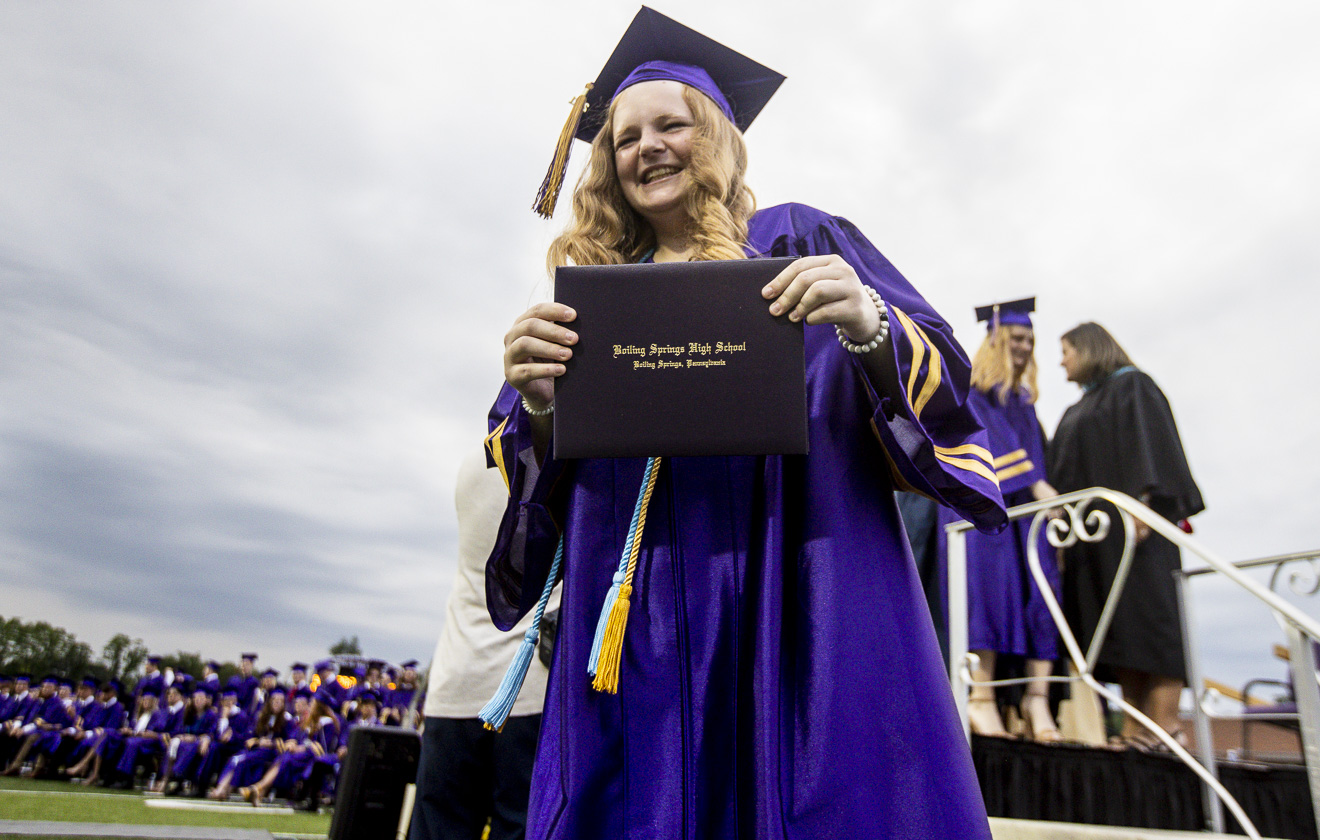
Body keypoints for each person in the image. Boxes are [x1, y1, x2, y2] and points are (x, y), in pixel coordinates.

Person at [485, 9, 1006, 839]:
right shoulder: (594, 295)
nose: (647, 147)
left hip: (795, 589)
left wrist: (867, 323)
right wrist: (540, 404)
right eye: (624, 137)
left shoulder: (797, 237)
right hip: (639, 620)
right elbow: (537, 482)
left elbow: (944, 384)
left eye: (671, 125)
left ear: (718, 137)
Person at [1049, 321, 1203, 747]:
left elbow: (1148, 446)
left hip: (1138, 531)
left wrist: (1143, 502)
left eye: (1066, 350)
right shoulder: (1079, 408)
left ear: (1089, 348)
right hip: (1095, 539)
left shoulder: (1133, 386)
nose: (1061, 360)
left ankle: (1165, 725)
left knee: (1151, 622)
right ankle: (1136, 729)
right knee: (1121, 634)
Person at [408, 451, 555, 840]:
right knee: (521, 826)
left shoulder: (474, 462)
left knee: (440, 826)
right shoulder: (557, 457)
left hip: (458, 680)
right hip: (527, 686)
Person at [937, 298, 1063, 740]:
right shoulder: (969, 390)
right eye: (1016, 338)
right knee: (989, 598)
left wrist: (1039, 493)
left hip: (1023, 512)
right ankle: (982, 698)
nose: (1025, 346)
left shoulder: (1022, 401)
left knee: (1042, 596)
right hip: (978, 509)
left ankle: (1037, 701)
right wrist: (1036, 484)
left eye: (1030, 339)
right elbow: (987, 451)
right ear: (995, 339)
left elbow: (1034, 462)